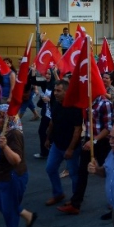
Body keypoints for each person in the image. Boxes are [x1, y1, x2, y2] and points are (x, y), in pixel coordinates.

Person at [0, 104, 37, 227]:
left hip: (12, 177)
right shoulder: (0, 132)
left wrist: (5, 147)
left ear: (8, 120)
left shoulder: (14, 134)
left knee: (8, 207)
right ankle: (28, 215)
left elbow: (16, 160)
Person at [69, 94, 114, 214]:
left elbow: (109, 127)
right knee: (82, 172)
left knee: (110, 171)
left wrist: (94, 140)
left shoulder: (105, 103)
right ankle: (75, 203)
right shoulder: (86, 102)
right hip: (89, 140)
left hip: (102, 142)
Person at [42, 80, 83, 212]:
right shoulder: (55, 103)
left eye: (59, 91)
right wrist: (48, 138)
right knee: (50, 168)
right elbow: (52, 122)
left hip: (71, 147)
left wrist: (70, 149)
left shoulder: (75, 108)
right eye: (55, 90)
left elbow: (77, 130)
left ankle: (75, 199)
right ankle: (58, 193)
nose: (56, 93)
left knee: (74, 174)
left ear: (66, 91)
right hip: (56, 145)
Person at [31, 67, 58, 159]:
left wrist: (49, 100)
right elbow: (34, 82)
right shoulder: (46, 84)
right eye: (46, 74)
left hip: (55, 115)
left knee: (54, 134)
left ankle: (55, 152)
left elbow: (60, 101)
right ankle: (44, 152)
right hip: (46, 113)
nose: (47, 76)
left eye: (49, 74)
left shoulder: (57, 86)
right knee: (42, 131)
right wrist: (34, 70)